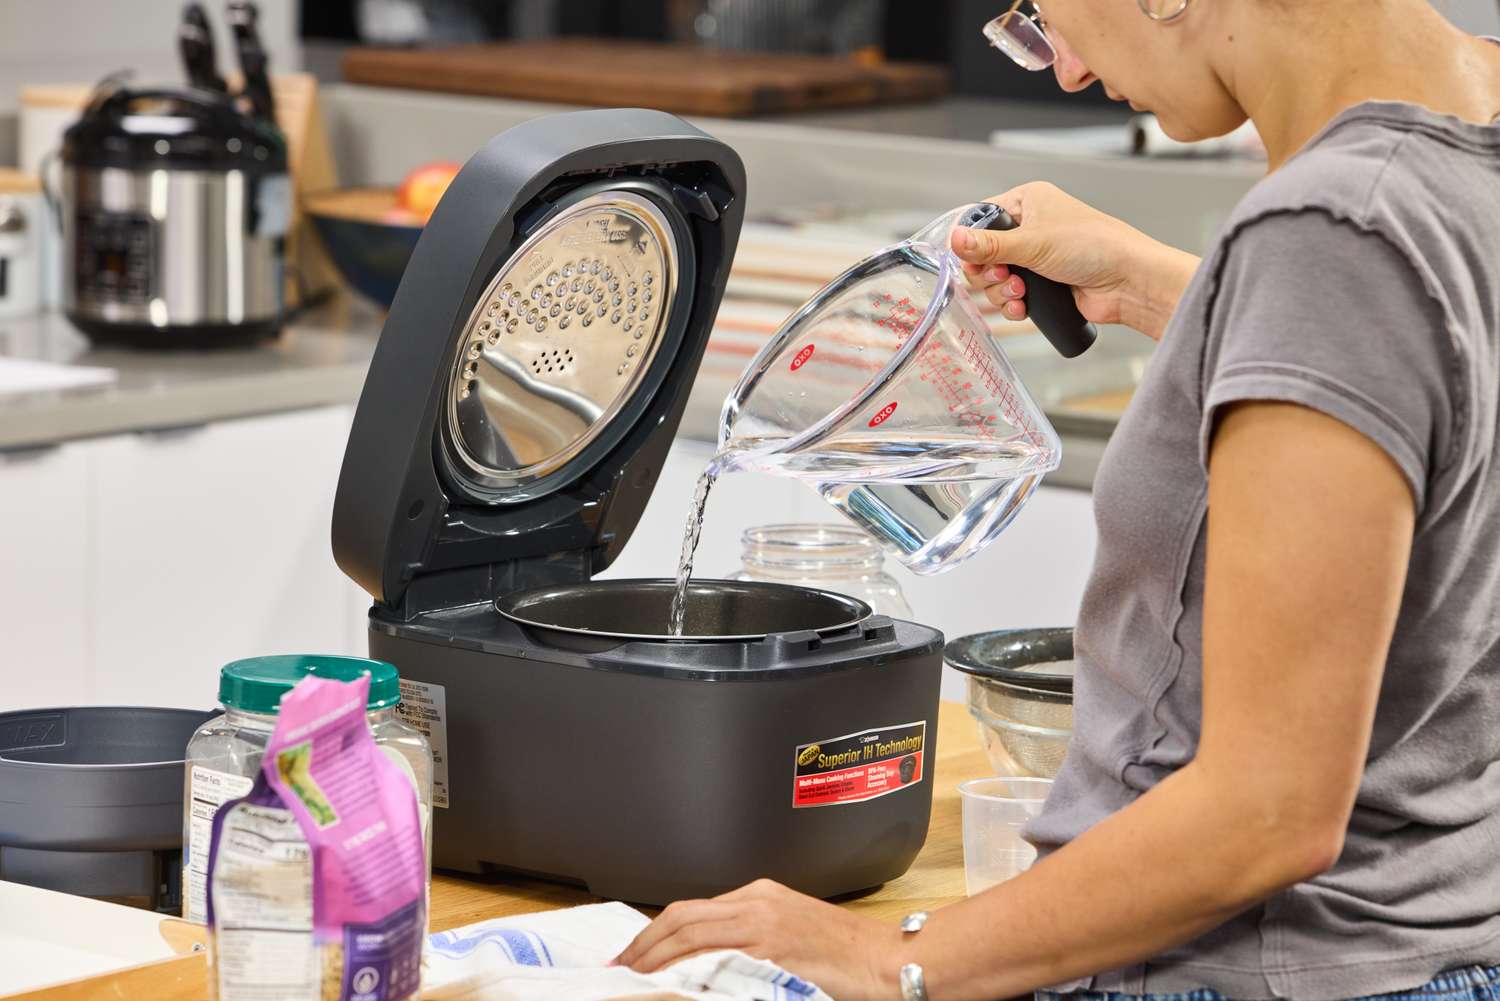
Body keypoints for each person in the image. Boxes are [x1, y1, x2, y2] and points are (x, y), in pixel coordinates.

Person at [615, 0, 1500, 998]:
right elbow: (1420, 376)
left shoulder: (1331, 231)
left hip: (1241, 969)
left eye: (1040, 11)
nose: (1066, 70)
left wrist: (894, 957)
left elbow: (1267, 810)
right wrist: (1161, 286)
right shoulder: (1465, 136)